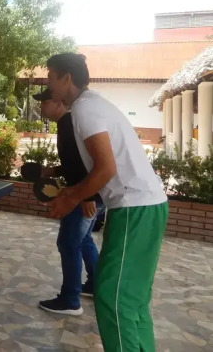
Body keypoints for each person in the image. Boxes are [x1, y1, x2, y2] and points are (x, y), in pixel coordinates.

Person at [46, 53, 168, 351]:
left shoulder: (85, 108)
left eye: (51, 77)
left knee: (114, 299)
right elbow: (101, 169)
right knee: (133, 299)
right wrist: (72, 192)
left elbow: (105, 169)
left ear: (66, 78)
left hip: (134, 208)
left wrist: (73, 199)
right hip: (146, 206)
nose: (48, 84)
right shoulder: (93, 104)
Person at [32, 88, 105, 315]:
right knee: (83, 240)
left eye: (45, 102)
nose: (41, 107)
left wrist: (86, 197)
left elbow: (84, 164)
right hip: (94, 192)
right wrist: (50, 171)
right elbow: (74, 162)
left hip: (87, 195)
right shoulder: (68, 123)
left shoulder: (67, 124)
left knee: (68, 243)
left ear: (58, 103)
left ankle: (70, 300)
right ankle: (95, 284)